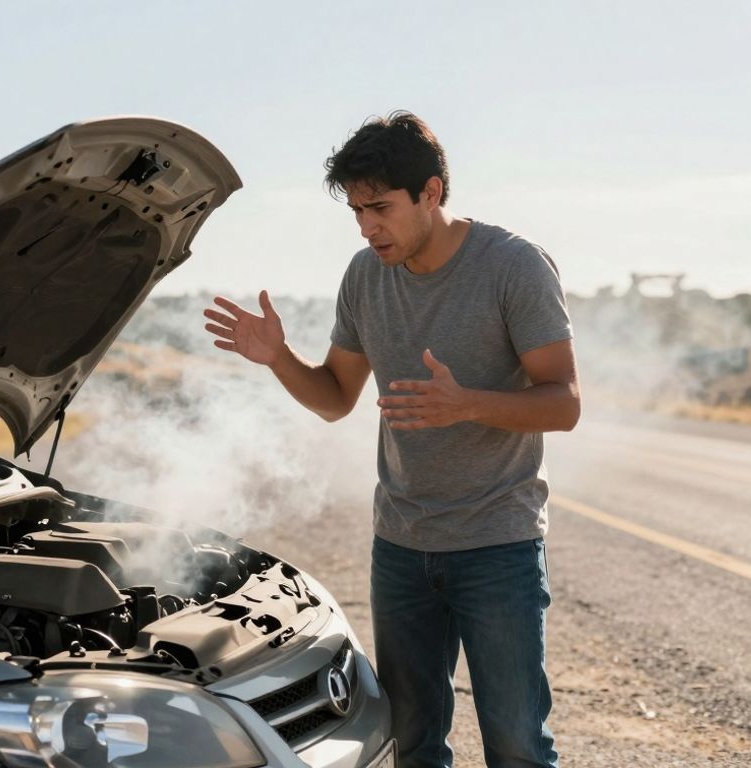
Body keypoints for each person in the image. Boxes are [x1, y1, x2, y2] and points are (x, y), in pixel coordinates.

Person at [203, 111, 579, 767]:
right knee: (412, 744)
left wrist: (467, 404)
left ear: (431, 193)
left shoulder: (513, 266)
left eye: (380, 208)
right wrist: (279, 357)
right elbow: (334, 398)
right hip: (401, 547)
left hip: (498, 543)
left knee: (517, 744)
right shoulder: (365, 275)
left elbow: (565, 403)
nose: (367, 227)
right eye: (355, 211)